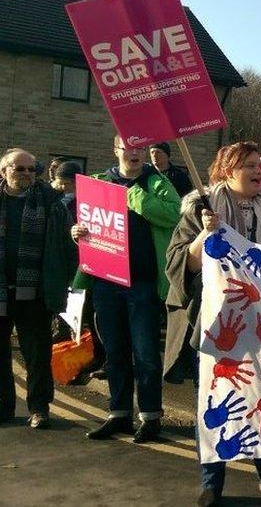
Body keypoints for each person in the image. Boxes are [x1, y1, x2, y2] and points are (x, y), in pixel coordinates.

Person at [164, 142, 261, 507]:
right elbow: (181, 265)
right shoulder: (201, 209)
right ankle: (212, 480)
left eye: (260, 165)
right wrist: (203, 236)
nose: (259, 170)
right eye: (249, 165)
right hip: (217, 323)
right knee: (215, 398)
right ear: (228, 171)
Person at [70, 137, 180, 443]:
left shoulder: (155, 182)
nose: (133, 153)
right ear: (115, 150)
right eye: (127, 147)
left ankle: (150, 417)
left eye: (138, 148)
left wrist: (135, 197)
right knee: (115, 352)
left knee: (145, 353)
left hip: (142, 283)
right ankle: (118, 414)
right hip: (106, 281)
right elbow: (85, 223)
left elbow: (174, 214)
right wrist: (76, 232)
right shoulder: (98, 182)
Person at [0, 148, 76, 429]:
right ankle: (3, 409)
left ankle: (39, 408)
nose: (27, 174)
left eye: (32, 170)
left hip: (35, 291)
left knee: (37, 355)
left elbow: (67, 243)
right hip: (1, 289)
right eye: (20, 169)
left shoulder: (50, 202)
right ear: (4, 171)